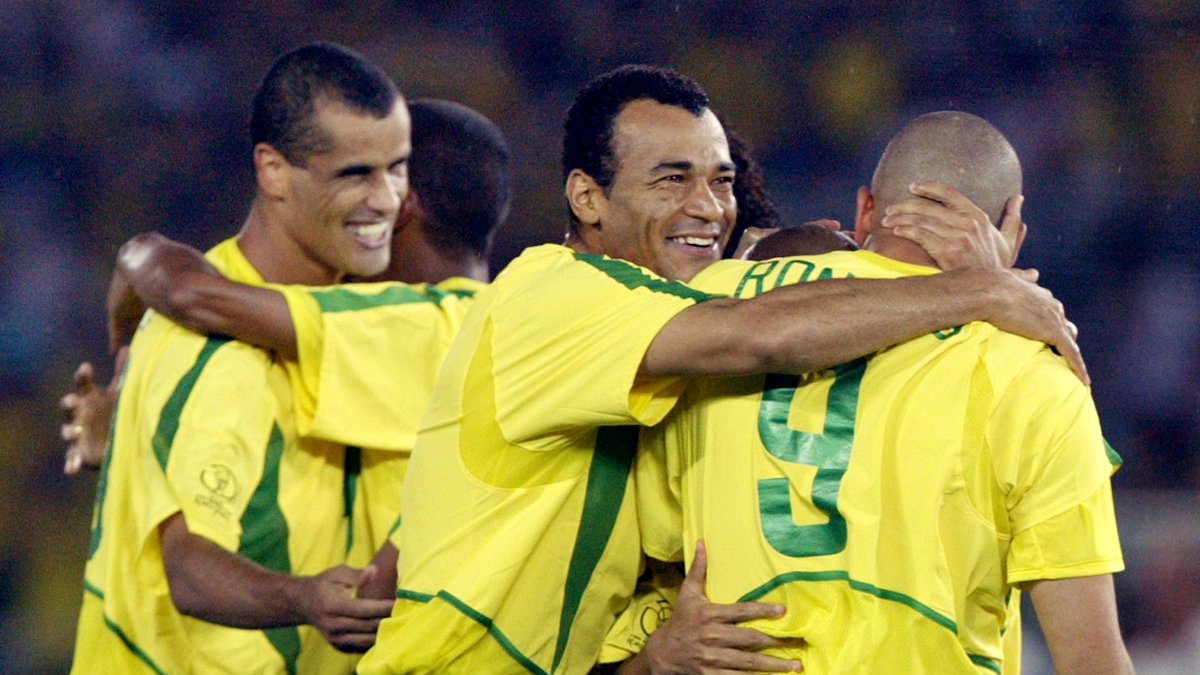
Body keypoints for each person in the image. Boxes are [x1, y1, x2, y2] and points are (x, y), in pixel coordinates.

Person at [355, 64, 1084, 675]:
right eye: (672, 180)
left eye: (721, 180)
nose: (708, 207)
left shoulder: (658, 317)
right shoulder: (554, 294)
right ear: (585, 195)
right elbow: (755, 334)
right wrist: (983, 290)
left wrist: (653, 658)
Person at [644, 111, 1132, 673]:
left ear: (865, 209)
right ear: (1013, 231)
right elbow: (1090, 658)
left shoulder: (701, 312)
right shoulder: (1028, 373)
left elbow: (642, 550)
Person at [70, 42, 408, 674]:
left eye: (398, 167)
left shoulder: (350, 320)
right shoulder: (213, 352)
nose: (388, 198)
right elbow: (189, 568)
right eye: (355, 174)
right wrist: (303, 598)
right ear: (275, 173)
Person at [65, 98, 511, 577]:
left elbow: (192, 293)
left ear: (399, 203)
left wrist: (139, 252)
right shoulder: (458, 331)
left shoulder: (432, 329)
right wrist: (133, 426)